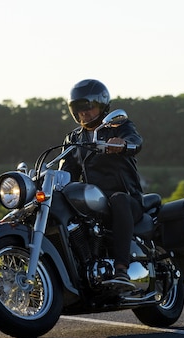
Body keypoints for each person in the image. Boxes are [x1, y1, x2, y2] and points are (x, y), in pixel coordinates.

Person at [59, 79, 144, 291]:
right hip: (94, 202)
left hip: (126, 198)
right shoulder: (74, 138)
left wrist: (123, 144)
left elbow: (135, 141)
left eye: (88, 107)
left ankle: (122, 269)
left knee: (118, 199)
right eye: (79, 109)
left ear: (102, 105)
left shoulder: (118, 126)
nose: (84, 113)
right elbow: (66, 171)